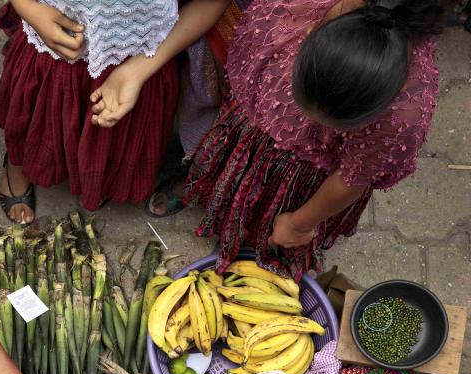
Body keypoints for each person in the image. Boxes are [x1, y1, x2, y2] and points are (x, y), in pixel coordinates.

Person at [184, 0, 442, 280]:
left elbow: (351, 178)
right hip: (256, 133)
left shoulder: (401, 117)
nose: (310, 121)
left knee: (271, 228)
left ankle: (262, 249)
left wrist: (297, 223)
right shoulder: (301, 10)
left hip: (305, 175)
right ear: (308, 37)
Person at [0, 0, 242, 223]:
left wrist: (137, 71)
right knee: (34, 116)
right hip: (51, 41)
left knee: (108, 136)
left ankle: (91, 178)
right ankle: (16, 166)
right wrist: (28, 8)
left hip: (139, 57)